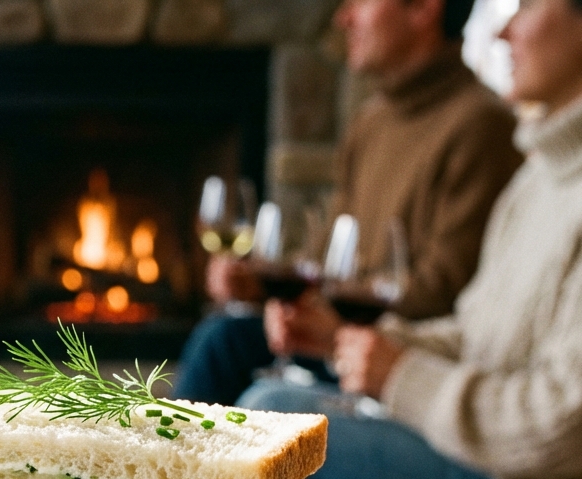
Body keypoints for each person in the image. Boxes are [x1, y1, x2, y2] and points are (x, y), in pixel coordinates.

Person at [243, 0, 582, 479]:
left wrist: (402, 376)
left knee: (266, 416)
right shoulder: (537, 180)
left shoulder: (494, 136)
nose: (502, 32)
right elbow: (475, 336)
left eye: (527, 5)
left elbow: (565, 425)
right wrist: (352, 343)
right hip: (473, 446)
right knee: (262, 394)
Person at [173, 0, 522, 406]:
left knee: (236, 358)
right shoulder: (371, 120)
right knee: (223, 336)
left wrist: (326, 316)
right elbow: (326, 255)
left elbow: (443, 292)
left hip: (404, 359)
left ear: (424, 9)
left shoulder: (483, 125)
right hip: (341, 334)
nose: (343, 17)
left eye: (361, 0)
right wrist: (254, 284)